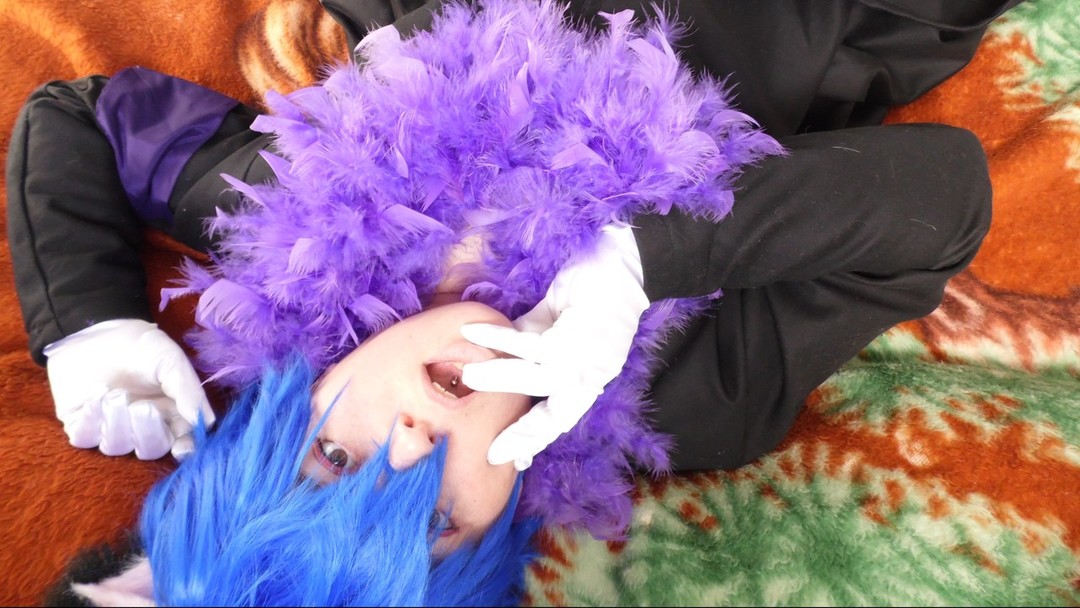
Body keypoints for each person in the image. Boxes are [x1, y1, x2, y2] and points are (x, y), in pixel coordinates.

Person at [6, 0, 1019, 604]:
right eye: (437, 518)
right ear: (496, 537)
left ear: (281, 411)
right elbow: (946, 199)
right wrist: (645, 256)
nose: (413, 439)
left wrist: (89, 321)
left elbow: (79, 123)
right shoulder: (696, 397)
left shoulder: (295, 215)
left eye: (335, 458)